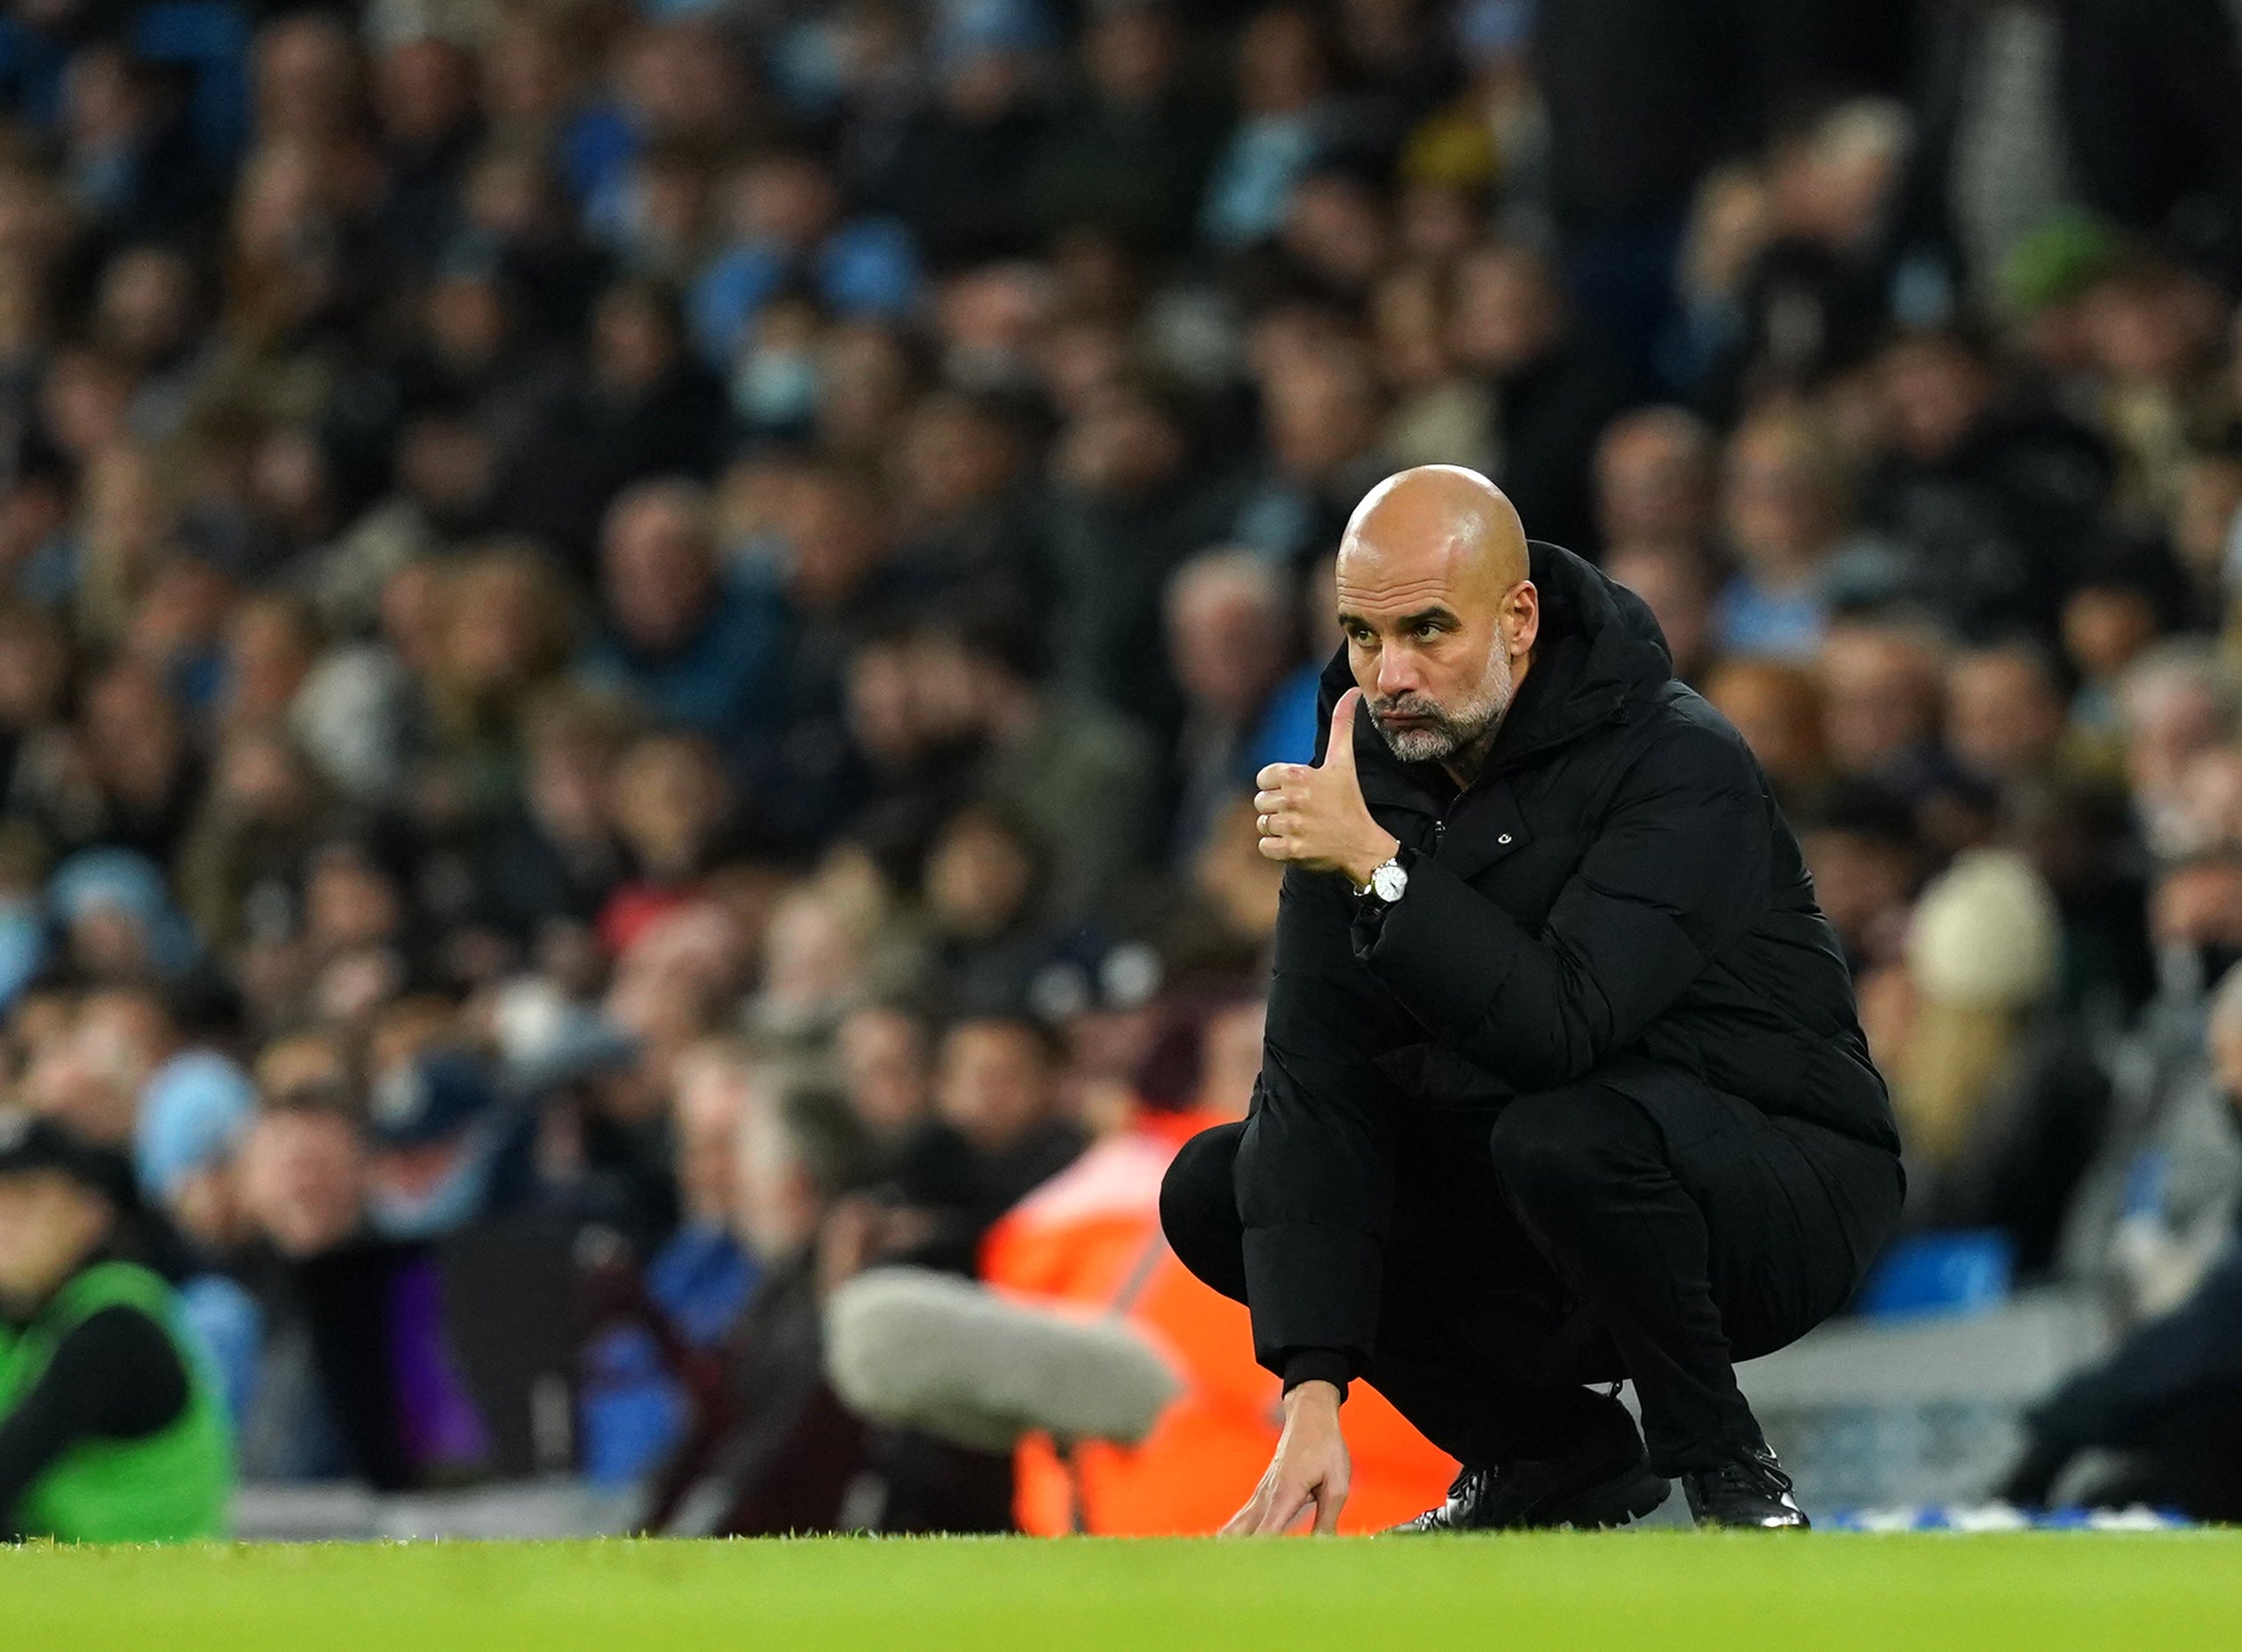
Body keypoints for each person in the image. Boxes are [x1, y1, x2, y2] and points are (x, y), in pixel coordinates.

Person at [1161, 464, 1904, 1533]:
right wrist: (1310, 1395)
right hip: (1540, 1190)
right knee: (1218, 1179)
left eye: (1425, 629)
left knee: (1562, 1132)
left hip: (1774, 1190)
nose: (1389, 673)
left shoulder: (1676, 758)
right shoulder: (1357, 778)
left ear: (1518, 619)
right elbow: (1315, 1090)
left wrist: (1379, 867)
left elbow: (1561, 1025)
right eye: (1363, 637)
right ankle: (1543, 1454)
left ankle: (1729, 1467)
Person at [0, 1111, 233, 1541]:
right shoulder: (19, 1322)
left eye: (27, 1198)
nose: (6, 1222)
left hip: (160, 1595)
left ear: (91, 1215)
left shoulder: (116, 1327)